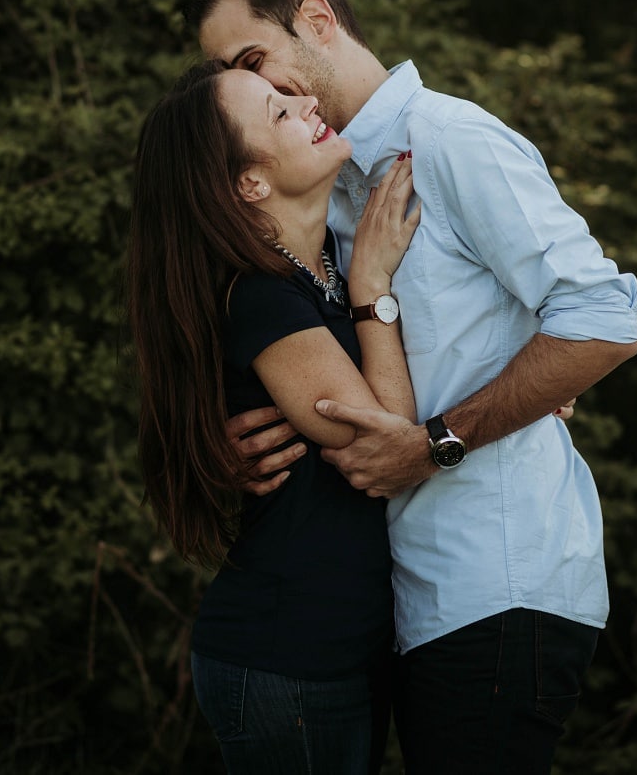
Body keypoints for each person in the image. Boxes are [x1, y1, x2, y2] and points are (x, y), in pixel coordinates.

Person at [187, 0, 637, 773]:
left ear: (317, 22)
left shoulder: (450, 141)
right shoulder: (323, 193)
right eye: (235, 77)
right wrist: (214, 443)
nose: (257, 91)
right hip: (402, 604)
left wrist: (443, 435)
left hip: (495, 580)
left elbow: (603, 318)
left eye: (255, 61)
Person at [127, 58, 423, 774]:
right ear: (249, 183)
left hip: (339, 651)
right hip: (288, 659)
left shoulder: (313, 269)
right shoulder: (262, 295)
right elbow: (386, 446)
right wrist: (372, 288)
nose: (307, 99)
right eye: (279, 111)